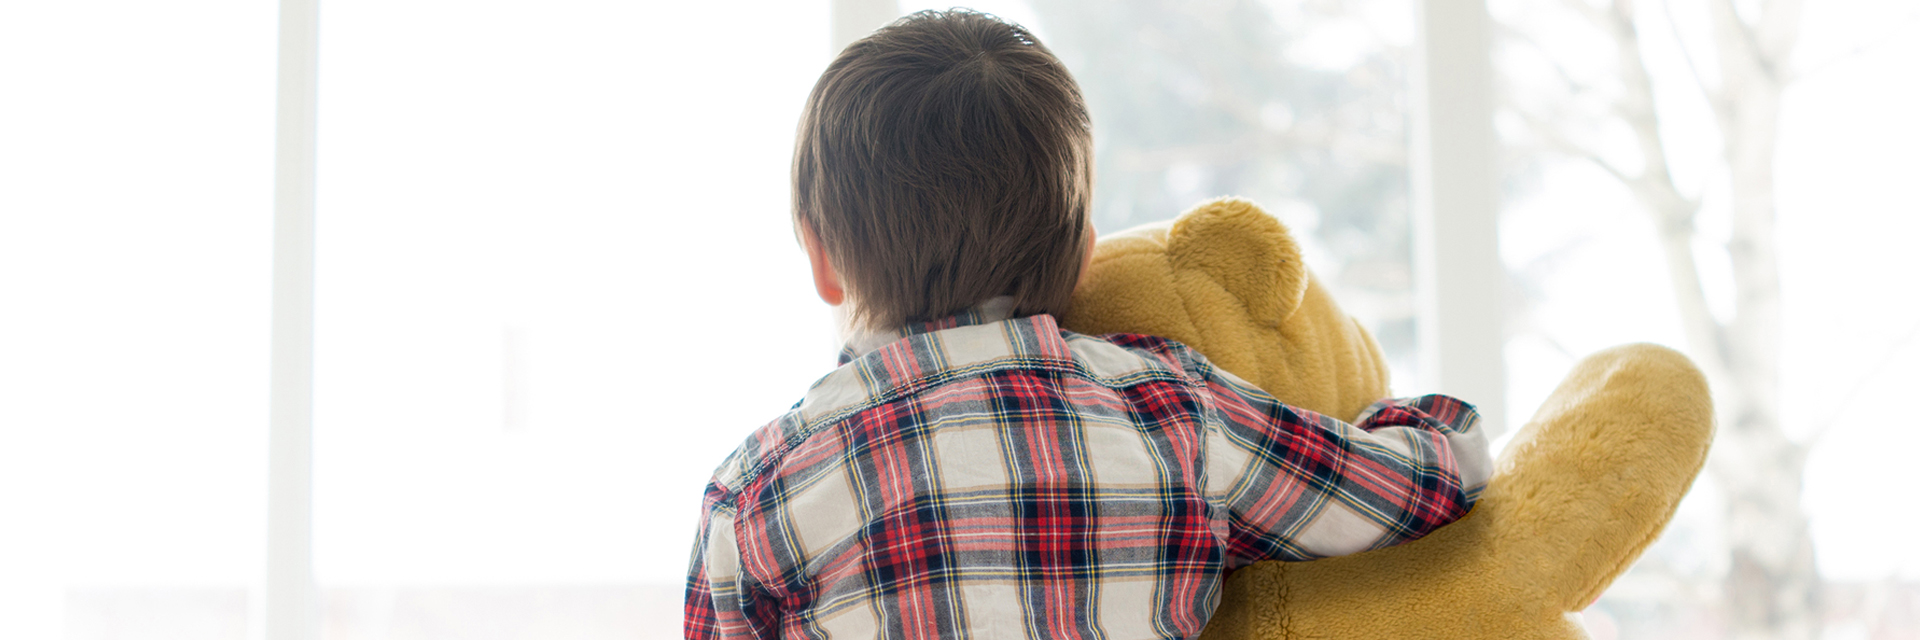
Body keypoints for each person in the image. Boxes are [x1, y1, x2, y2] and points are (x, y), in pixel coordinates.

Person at [684, 10, 1490, 639]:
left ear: (822, 258)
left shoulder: (753, 496)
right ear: (1083, 260)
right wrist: (1419, 420)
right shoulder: (1173, 411)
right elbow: (1430, 481)